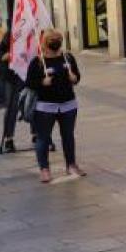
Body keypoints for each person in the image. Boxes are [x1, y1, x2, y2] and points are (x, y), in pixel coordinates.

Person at [26, 31, 82, 183]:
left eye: (58, 39)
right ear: (44, 42)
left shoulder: (67, 58)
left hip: (68, 105)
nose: (55, 41)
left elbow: (77, 76)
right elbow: (29, 83)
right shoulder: (37, 62)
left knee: (68, 136)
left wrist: (74, 78)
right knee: (43, 138)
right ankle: (44, 169)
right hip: (45, 107)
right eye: (52, 39)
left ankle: (71, 164)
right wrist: (42, 83)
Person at [0, 30, 24, 154]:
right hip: (11, 76)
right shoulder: (10, 34)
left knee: (33, 104)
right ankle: (9, 139)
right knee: (12, 107)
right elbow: (1, 55)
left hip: (27, 74)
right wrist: (8, 55)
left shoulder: (31, 31)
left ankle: (37, 135)